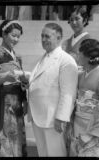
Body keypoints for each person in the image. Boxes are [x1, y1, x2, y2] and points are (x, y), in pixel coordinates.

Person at [28, 23, 78, 157]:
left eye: (47, 36)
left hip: (53, 119)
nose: (43, 39)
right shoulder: (43, 57)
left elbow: (68, 93)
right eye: (42, 36)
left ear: (59, 38)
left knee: (56, 153)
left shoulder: (66, 60)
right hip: (38, 116)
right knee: (43, 153)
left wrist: (61, 117)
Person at [0, 20, 29, 157]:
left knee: (17, 139)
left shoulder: (17, 57)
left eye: (18, 37)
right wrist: (4, 78)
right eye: (13, 35)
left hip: (17, 104)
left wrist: (24, 96)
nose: (16, 39)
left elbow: (20, 80)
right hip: (2, 103)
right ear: (4, 34)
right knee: (4, 138)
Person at [68, 39, 99, 159]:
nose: (77, 56)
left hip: (93, 131)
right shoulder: (81, 74)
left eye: (79, 53)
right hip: (78, 128)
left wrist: (90, 136)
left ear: (88, 57)